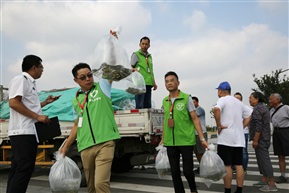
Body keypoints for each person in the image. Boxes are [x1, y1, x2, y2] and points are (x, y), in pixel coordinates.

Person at [59, 63, 120, 193]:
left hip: (105, 143)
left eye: (90, 75)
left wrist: (113, 43)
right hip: (85, 147)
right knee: (91, 187)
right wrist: (66, 147)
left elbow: (112, 67)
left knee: (100, 184)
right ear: (76, 80)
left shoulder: (103, 87)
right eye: (83, 77)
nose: (88, 79)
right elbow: (77, 125)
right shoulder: (76, 100)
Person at [6, 55, 60, 193]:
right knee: (24, 169)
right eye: (41, 67)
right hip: (23, 132)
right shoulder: (21, 80)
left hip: (27, 132)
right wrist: (37, 116)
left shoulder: (30, 83)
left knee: (18, 169)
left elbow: (26, 105)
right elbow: (13, 103)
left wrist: (45, 103)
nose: (42, 70)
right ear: (34, 67)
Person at [160, 71, 208, 193]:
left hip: (186, 141)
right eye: (166, 81)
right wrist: (162, 139)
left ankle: (193, 189)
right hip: (170, 143)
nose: (169, 83)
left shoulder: (187, 98)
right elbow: (165, 121)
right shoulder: (165, 101)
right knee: (175, 172)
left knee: (187, 171)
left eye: (172, 80)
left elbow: (195, 119)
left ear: (178, 83)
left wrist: (202, 139)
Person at [213, 81, 251, 193]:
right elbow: (249, 114)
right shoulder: (238, 102)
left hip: (226, 139)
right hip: (238, 139)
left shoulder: (222, 99)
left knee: (227, 165)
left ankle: (228, 190)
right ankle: (239, 190)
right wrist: (241, 126)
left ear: (220, 91)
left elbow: (216, 109)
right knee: (239, 165)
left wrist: (219, 125)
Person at [249, 91, 278, 192]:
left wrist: (256, 140)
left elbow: (259, 125)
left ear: (257, 99)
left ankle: (272, 183)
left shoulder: (258, 108)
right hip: (263, 138)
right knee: (261, 160)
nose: (249, 100)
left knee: (265, 161)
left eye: (251, 98)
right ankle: (264, 179)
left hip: (261, 138)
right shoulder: (262, 107)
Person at [131, 36, 157, 109]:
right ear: (139, 44)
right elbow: (129, 66)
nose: (144, 46)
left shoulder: (150, 56)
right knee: (139, 105)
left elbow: (151, 71)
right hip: (140, 84)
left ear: (149, 45)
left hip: (148, 83)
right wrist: (134, 69)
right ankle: (139, 120)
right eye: (143, 44)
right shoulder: (136, 54)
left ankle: (147, 120)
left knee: (148, 105)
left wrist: (154, 83)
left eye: (146, 44)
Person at [269, 93, 289, 184]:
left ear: (277, 100)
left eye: (271, 99)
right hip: (276, 133)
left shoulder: (286, 108)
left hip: (286, 131)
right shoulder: (271, 110)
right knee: (280, 155)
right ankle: (282, 175)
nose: (269, 101)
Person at [231, 92, 252, 175]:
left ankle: (244, 168)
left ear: (241, 100)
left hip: (243, 133)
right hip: (232, 133)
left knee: (243, 152)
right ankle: (234, 167)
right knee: (232, 151)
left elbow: (249, 119)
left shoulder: (245, 108)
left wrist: (243, 127)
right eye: (235, 98)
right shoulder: (230, 108)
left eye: (238, 98)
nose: (237, 99)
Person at [191, 96, 208, 175]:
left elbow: (192, 116)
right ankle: (202, 167)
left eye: (194, 102)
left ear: (197, 102)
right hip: (195, 134)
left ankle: (204, 168)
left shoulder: (199, 110)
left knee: (201, 152)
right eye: (191, 102)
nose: (192, 104)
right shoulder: (193, 110)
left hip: (200, 134)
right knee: (197, 152)